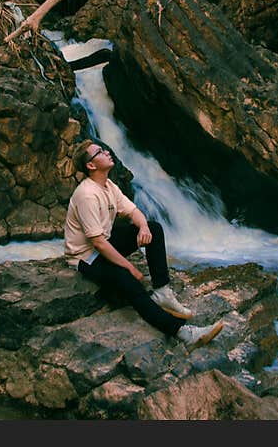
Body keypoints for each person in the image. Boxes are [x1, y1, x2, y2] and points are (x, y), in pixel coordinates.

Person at [64, 139, 224, 351]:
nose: (106, 152)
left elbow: (133, 212)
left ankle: (162, 291)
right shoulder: (87, 194)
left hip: (103, 244)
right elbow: (99, 244)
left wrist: (144, 228)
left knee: (154, 229)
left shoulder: (108, 186)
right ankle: (184, 333)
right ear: (91, 166)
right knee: (128, 281)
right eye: (99, 152)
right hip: (86, 257)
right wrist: (129, 267)